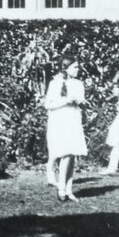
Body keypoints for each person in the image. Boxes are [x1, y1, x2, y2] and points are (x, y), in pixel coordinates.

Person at [43, 54, 88, 202]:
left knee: (72, 155)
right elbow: (48, 104)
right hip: (59, 121)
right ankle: (61, 188)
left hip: (73, 119)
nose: (77, 69)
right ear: (65, 68)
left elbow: (80, 100)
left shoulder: (78, 83)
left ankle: (68, 189)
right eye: (74, 67)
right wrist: (66, 100)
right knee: (66, 153)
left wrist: (78, 101)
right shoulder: (55, 83)